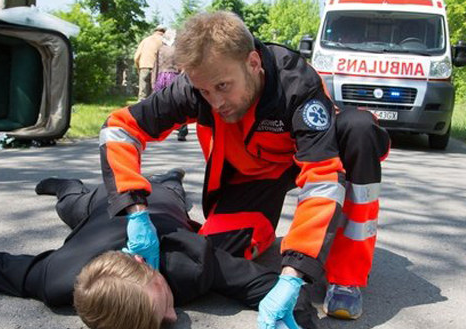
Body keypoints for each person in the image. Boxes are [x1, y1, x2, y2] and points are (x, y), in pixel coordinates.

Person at [99, 11, 391, 325]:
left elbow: (321, 180)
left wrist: (294, 273)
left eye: (223, 86)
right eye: (205, 92)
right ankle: (261, 233)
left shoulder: (295, 83)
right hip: (255, 174)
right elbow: (120, 129)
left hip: (315, 154)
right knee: (203, 261)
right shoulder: (194, 86)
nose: (214, 102)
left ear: (253, 63)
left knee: (359, 128)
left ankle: (347, 275)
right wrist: (134, 209)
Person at [0, 171, 319, 329]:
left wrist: (297, 310)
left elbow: (269, 284)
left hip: (150, 202)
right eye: (163, 318)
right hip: (95, 222)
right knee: (78, 207)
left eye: (162, 307)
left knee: (152, 190)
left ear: (148, 267)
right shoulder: (56, 280)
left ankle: (163, 176)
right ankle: (71, 189)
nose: (175, 318)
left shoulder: (187, 259)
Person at [152, 28, 188, 142]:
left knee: (160, 104)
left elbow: (155, 67)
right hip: (174, 77)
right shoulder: (178, 50)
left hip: (161, 77)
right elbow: (183, 67)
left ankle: (159, 128)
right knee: (179, 105)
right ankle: (182, 131)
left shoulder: (160, 49)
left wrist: (153, 81)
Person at [134, 25, 165, 100]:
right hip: (157, 69)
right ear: (163, 32)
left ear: (154, 31)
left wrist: (139, 69)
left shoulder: (145, 40)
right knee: (155, 94)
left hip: (144, 67)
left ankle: (140, 110)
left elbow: (136, 57)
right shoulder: (164, 41)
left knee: (143, 94)